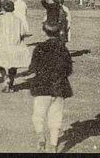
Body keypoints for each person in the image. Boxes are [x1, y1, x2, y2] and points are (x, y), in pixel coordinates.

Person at [28, 22, 73, 153]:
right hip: (59, 87)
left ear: (44, 32)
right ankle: (53, 145)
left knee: (38, 115)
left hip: (42, 86)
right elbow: (69, 69)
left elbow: (33, 67)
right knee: (56, 117)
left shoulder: (40, 48)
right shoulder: (63, 49)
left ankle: (41, 137)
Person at [0, 1, 31, 93]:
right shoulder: (18, 19)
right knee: (14, 65)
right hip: (15, 45)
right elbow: (23, 33)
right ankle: (11, 82)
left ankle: (5, 77)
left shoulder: (0, 19)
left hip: (3, 45)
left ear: (4, 8)